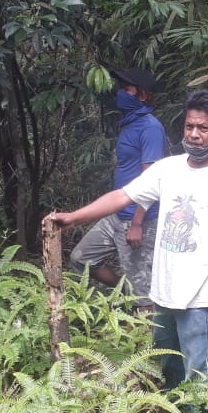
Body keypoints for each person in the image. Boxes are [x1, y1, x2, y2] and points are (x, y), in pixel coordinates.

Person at [46, 88, 208, 391]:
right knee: (168, 366)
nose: (194, 134)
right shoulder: (167, 169)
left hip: (202, 296)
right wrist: (75, 217)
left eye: (203, 128)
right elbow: (123, 195)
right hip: (162, 293)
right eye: (189, 126)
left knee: (201, 372)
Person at [68, 69, 165, 310]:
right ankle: (127, 292)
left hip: (138, 218)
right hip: (117, 215)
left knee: (142, 299)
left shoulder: (151, 128)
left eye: (127, 89)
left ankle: (145, 339)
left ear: (142, 95)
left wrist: (137, 223)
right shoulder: (131, 124)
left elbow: (151, 179)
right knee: (81, 258)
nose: (120, 93)